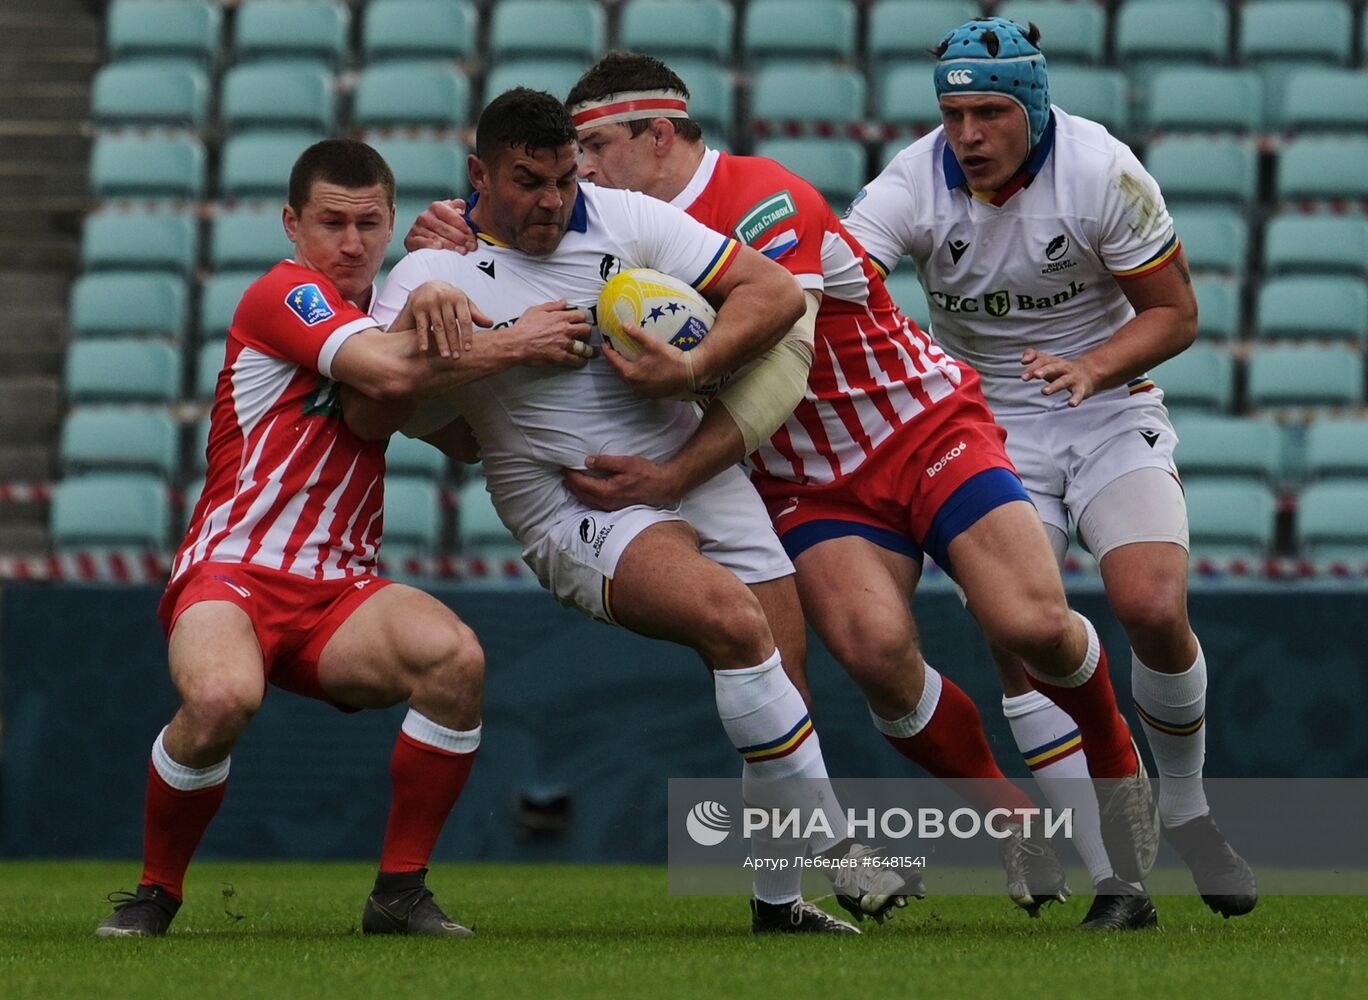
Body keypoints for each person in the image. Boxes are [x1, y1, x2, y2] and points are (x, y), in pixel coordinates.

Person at [406, 55, 1160, 928]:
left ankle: (1115, 776)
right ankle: (1005, 820)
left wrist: (676, 447)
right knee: (867, 661)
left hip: (915, 425)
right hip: (803, 476)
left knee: (1028, 624)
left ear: (657, 135)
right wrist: (451, 240)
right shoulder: (587, 218)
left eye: (594, 148)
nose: (579, 175)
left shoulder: (761, 194)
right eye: (563, 161)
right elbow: (485, 253)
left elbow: (782, 370)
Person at [347, 87, 912, 936]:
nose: (552, 201)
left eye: (565, 178)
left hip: (688, 469)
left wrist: (688, 370)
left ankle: (779, 903)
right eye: (528, 180)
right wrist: (494, 351)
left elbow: (773, 292)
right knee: (732, 622)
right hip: (573, 500)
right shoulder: (433, 274)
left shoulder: (624, 218)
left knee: (780, 670)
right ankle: (838, 849)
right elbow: (370, 408)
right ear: (480, 175)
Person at [95, 138, 598, 939]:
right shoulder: (282, 294)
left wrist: (455, 287)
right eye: (332, 222)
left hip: (338, 589)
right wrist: (518, 337)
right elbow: (392, 377)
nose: (353, 242)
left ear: (393, 223)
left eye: (371, 223)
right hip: (234, 571)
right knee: (221, 699)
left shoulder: (391, 316)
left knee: (455, 659)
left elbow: (459, 439)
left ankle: (398, 894)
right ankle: (156, 892)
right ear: (293, 225)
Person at [843, 17, 1257, 923]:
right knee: (1024, 636)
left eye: (989, 112)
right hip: (984, 425)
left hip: (1107, 405)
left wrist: (1092, 366)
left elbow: (1176, 314)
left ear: (1032, 106)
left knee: (1151, 605)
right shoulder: (915, 178)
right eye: (952, 114)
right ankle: (1122, 876)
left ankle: (1184, 807)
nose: (968, 135)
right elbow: (840, 275)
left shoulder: (1103, 171)